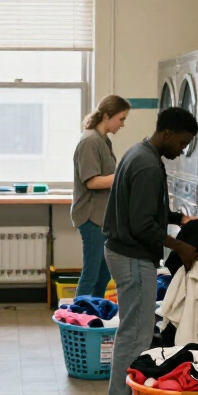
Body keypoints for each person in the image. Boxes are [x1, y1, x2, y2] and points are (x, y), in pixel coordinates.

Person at [102, 106, 198, 395]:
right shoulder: (146, 164)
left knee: (133, 330)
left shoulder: (140, 153)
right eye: (182, 143)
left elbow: (146, 210)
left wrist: (177, 219)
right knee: (136, 333)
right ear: (168, 134)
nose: (182, 150)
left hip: (124, 252)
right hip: (133, 256)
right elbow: (142, 224)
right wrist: (182, 246)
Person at [72, 96, 131, 298]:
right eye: (121, 119)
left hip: (102, 217)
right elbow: (92, 182)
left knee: (104, 274)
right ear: (107, 116)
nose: (122, 124)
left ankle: (94, 314)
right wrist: (122, 175)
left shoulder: (103, 140)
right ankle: (79, 320)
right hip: (90, 217)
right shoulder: (89, 141)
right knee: (91, 273)